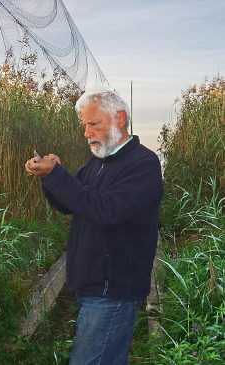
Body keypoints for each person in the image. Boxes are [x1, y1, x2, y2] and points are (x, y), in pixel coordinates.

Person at [25, 86, 164, 365]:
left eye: (94, 124)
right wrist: (50, 176)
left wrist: (58, 176)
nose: (87, 133)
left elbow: (107, 210)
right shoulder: (99, 161)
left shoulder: (143, 164)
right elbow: (71, 204)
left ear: (120, 119)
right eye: (85, 125)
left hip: (112, 291)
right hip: (93, 286)